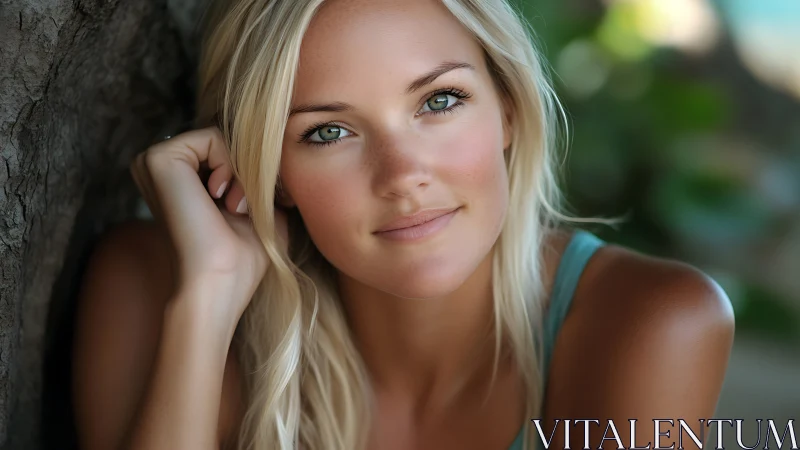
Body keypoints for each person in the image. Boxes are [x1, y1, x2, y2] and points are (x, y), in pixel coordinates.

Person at [70, 0, 736, 449]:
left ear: (507, 109)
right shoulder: (157, 286)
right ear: (267, 169)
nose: (402, 175)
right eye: (328, 132)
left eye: (439, 100)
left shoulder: (654, 323)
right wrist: (208, 298)